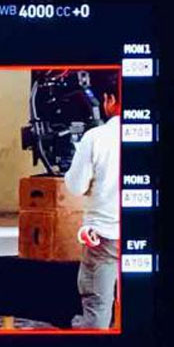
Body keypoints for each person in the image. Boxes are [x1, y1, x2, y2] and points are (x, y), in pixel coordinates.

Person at [64, 80, 121, 330]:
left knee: (97, 308)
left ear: (110, 100)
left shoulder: (96, 138)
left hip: (105, 236)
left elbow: (76, 186)